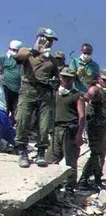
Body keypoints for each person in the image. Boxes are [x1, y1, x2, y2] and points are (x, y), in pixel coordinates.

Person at [13, 28, 59, 169]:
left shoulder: (52, 60)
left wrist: (54, 83)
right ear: (40, 37)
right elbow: (19, 56)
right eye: (47, 39)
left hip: (45, 92)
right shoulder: (28, 54)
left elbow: (57, 78)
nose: (49, 42)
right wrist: (35, 49)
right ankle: (22, 151)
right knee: (23, 119)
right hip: (28, 89)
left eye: (51, 40)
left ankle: (41, 152)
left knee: (44, 124)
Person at [51, 67, 84, 190]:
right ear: (60, 77)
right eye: (64, 77)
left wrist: (79, 135)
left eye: (69, 78)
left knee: (70, 161)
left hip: (69, 129)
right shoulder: (55, 94)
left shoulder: (77, 95)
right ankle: (52, 186)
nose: (66, 80)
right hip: (56, 128)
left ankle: (70, 187)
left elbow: (82, 116)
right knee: (51, 159)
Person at [79, 69, 106, 189]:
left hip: (102, 126)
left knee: (100, 153)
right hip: (96, 126)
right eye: (104, 80)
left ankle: (91, 179)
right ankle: (88, 180)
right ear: (99, 79)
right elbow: (85, 97)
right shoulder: (96, 89)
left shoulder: (104, 93)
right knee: (97, 153)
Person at [2, 40, 23, 123]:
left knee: (16, 112)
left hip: (18, 90)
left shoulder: (22, 60)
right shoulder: (4, 58)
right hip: (6, 88)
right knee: (5, 108)